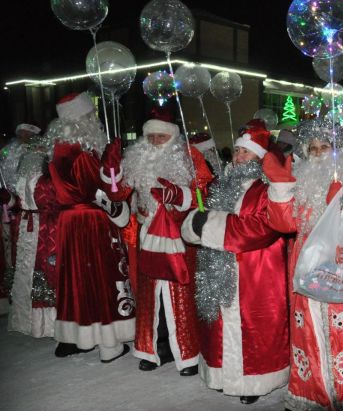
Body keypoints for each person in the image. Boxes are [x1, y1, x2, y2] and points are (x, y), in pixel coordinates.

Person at [262, 117, 343, 411]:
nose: (319, 153)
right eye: (313, 148)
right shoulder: (301, 178)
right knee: (307, 331)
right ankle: (308, 396)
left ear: (339, 148)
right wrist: (280, 189)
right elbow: (284, 224)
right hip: (307, 268)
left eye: (326, 147)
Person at [181, 122, 289, 403]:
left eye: (246, 152)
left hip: (255, 272)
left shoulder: (267, 189)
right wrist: (196, 221)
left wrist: (210, 225)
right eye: (238, 150)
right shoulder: (220, 184)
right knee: (217, 323)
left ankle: (252, 382)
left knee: (253, 327)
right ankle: (220, 373)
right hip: (219, 266)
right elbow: (199, 214)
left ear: (260, 157)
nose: (239, 156)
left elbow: (261, 228)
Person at [101, 110, 213, 376]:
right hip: (147, 234)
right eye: (150, 136)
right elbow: (118, 193)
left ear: (173, 136)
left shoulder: (190, 156)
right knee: (150, 295)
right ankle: (153, 349)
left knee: (179, 294)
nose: (154, 141)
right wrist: (112, 168)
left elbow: (204, 192)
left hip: (180, 236)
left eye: (161, 136)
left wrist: (176, 194)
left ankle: (188, 353)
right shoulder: (137, 159)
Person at [46, 92, 134, 362]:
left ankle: (84, 339)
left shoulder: (56, 152)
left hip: (69, 224)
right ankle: (109, 345)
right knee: (102, 278)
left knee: (79, 282)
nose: (96, 119)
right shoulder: (83, 155)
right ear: (83, 119)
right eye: (91, 116)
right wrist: (115, 180)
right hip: (91, 222)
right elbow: (100, 193)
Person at [3, 149, 59, 338]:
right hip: (25, 227)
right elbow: (18, 202)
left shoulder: (48, 180)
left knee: (43, 272)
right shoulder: (21, 179)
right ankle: (28, 322)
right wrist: (8, 199)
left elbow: (52, 202)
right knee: (26, 273)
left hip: (43, 228)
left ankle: (50, 324)